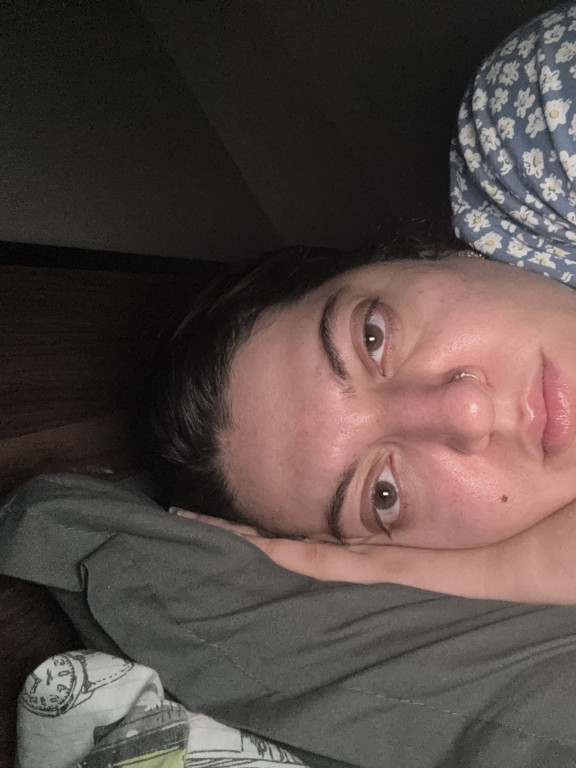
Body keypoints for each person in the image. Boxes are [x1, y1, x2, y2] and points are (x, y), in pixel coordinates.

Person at [150, 2, 576, 605]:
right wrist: (500, 571)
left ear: (418, 254)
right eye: (384, 495)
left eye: (371, 337)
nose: (468, 411)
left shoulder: (537, 122)